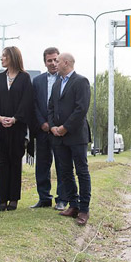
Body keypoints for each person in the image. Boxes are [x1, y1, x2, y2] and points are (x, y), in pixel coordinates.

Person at [0, 46, 35, 211]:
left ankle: (13, 198)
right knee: (3, 162)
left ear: (12, 57)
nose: (1, 59)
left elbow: (27, 102)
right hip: (1, 128)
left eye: (4, 56)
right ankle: (2, 199)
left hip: (17, 127)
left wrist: (15, 118)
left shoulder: (24, 78)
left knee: (15, 162)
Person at [48, 52, 92, 225]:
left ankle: (84, 209)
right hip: (58, 137)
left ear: (66, 63)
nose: (54, 64)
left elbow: (81, 109)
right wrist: (53, 127)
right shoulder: (57, 83)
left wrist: (65, 127)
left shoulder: (81, 82)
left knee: (81, 171)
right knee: (65, 172)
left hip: (76, 135)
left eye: (57, 61)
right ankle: (73, 205)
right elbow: (51, 107)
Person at [30, 47, 67, 210]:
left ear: (60, 60)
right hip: (43, 129)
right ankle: (44, 198)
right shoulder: (37, 81)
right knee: (42, 164)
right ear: (44, 62)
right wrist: (42, 123)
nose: (52, 63)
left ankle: (62, 199)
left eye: (55, 60)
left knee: (61, 164)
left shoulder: (66, 79)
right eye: (49, 60)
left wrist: (57, 126)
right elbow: (34, 105)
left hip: (60, 130)